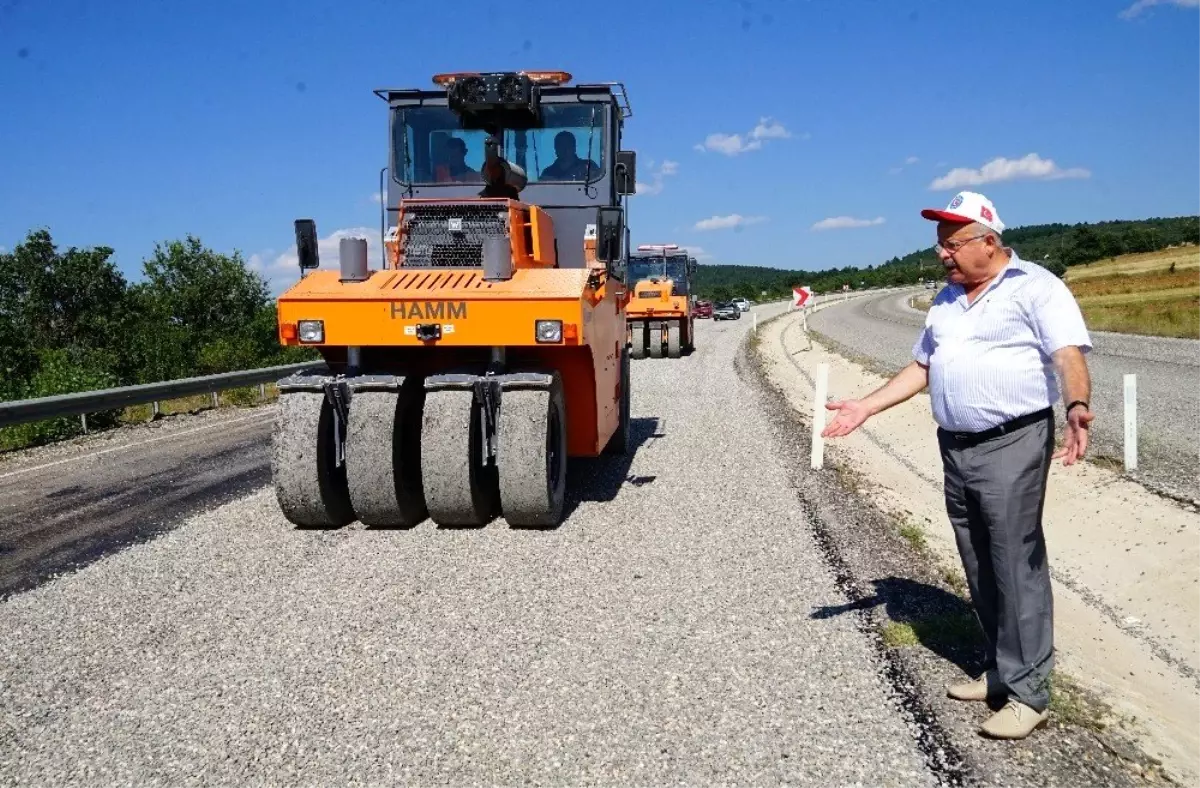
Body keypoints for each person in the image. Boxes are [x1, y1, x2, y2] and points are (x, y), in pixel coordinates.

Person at [821, 190, 1094, 740]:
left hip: (1013, 440)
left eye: (953, 244)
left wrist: (1077, 406)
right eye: (940, 246)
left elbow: (1068, 353)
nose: (943, 254)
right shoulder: (948, 300)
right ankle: (1000, 668)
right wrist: (865, 407)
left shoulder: (1037, 287)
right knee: (977, 559)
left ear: (989, 241)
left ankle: (1029, 692)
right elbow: (922, 366)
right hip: (957, 445)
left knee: (1014, 560)